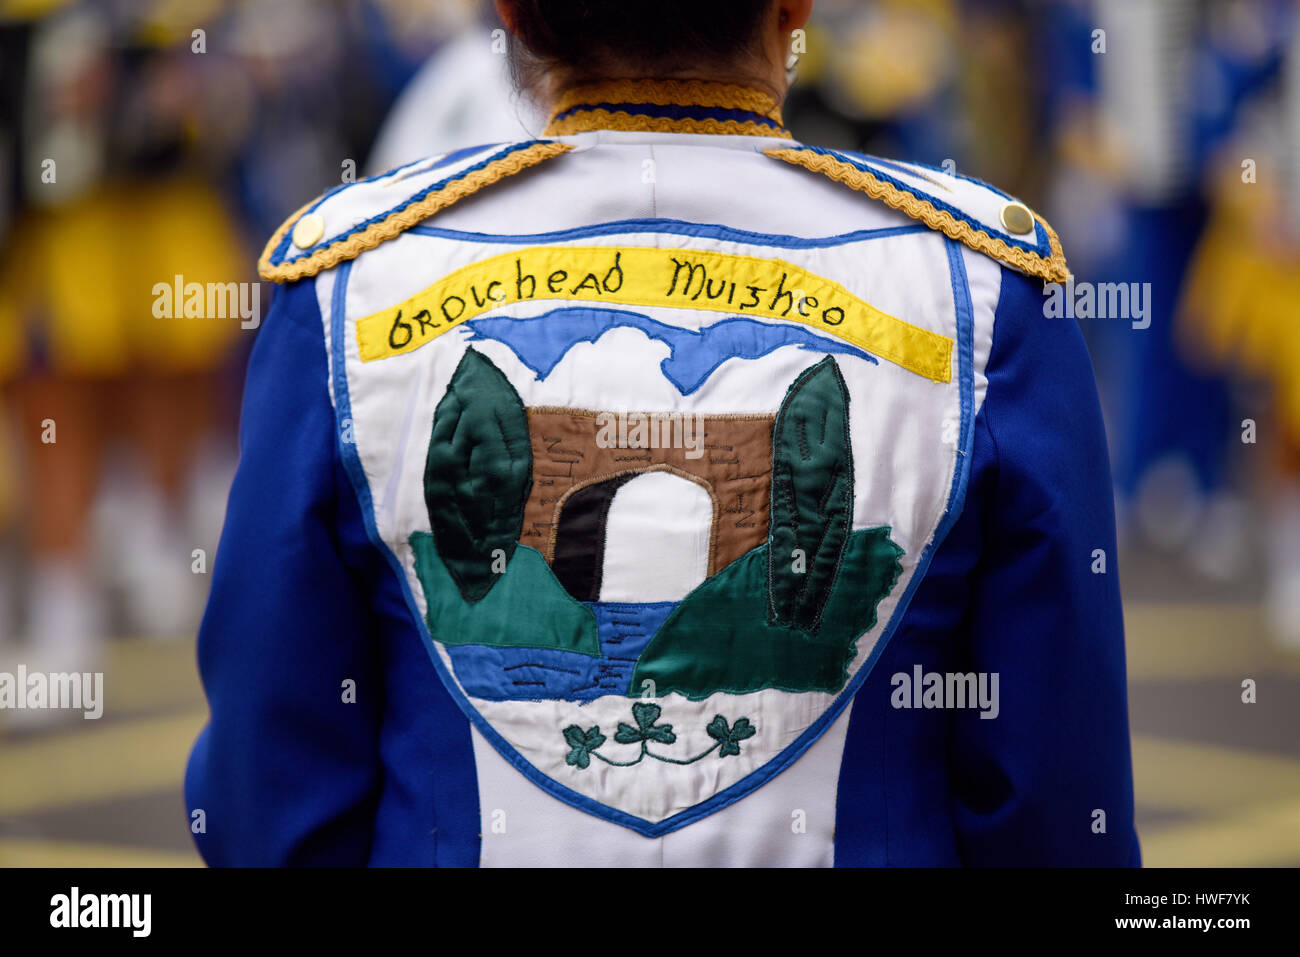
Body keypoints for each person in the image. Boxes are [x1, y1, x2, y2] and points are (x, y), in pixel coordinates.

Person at [187, 0, 1140, 867]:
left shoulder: (347, 285)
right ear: (795, 9)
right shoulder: (985, 296)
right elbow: (1057, 801)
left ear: (514, 14)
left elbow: (267, 798)